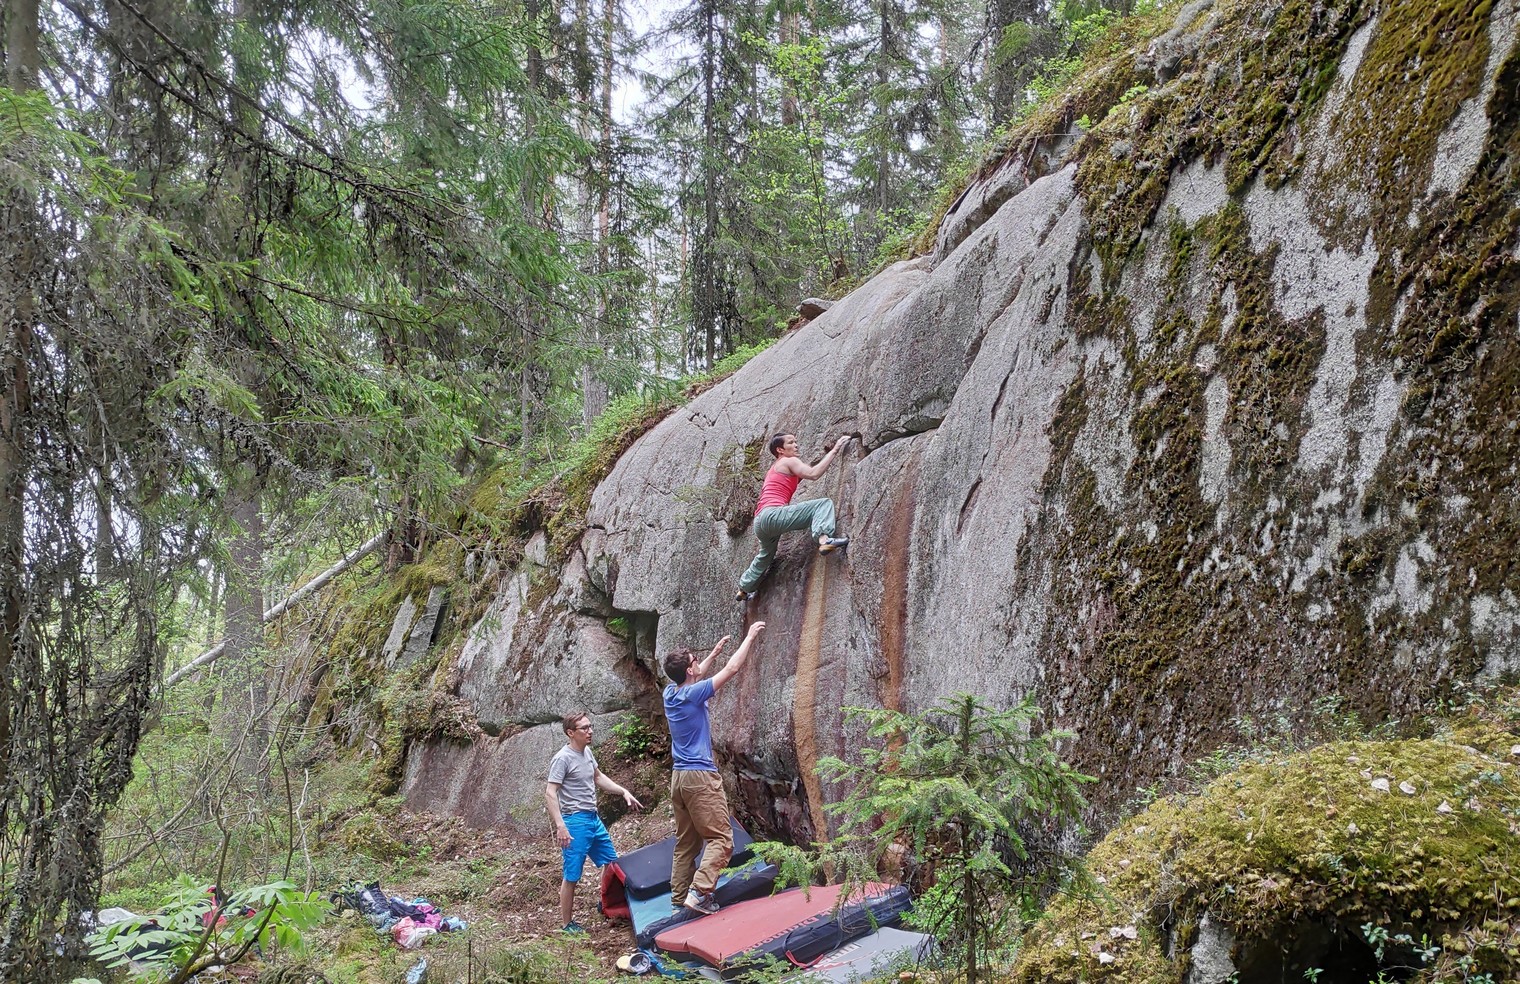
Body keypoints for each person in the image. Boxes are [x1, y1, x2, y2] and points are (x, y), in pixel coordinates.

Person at [662, 621, 766, 914]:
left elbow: (695, 677)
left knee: (686, 844)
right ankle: (700, 893)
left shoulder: (670, 693)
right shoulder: (693, 694)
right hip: (699, 778)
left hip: (679, 779)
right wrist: (749, 638)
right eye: (695, 661)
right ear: (690, 670)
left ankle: (678, 901)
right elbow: (731, 670)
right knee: (721, 838)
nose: (699, 664)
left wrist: (713, 654)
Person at [544, 711, 644, 933]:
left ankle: (605, 902)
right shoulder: (562, 758)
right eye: (584, 728)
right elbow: (550, 792)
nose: (590, 731)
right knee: (572, 874)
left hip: (592, 818)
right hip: (574, 821)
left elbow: (598, 777)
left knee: (611, 862)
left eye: (590, 727)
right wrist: (560, 825)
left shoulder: (587, 752)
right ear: (570, 733)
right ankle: (567, 924)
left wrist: (623, 791)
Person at [736, 433, 853, 600]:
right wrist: (835, 449)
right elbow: (813, 474)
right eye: (791, 442)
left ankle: (744, 588)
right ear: (780, 450)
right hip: (773, 514)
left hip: (760, 522)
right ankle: (824, 540)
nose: (796, 445)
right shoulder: (788, 461)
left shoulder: (776, 467)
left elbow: (804, 472)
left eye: (796, 441)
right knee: (823, 504)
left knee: (766, 554)